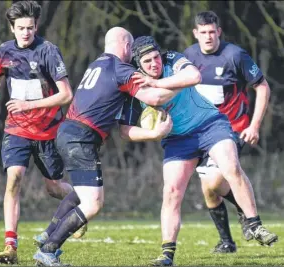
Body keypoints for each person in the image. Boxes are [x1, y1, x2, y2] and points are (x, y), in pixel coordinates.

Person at [32, 26, 199, 266]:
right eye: (131, 48)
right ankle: (48, 249)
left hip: (67, 131)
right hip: (82, 137)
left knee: (81, 193)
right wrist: (181, 85)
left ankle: (48, 235)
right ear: (126, 46)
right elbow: (154, 98)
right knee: (93, 203)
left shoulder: (97, 64)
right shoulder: (120, 69)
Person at [118, 35, 278, 266]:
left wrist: (157, 83)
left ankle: (255, 224)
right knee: (172, 191)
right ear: (137, 65)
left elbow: (194, 76)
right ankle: (167, 255)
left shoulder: (172, 59)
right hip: (177, 139)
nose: (155, 64)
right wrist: (153, 134)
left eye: (156, 58)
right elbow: (124, 131)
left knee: (231, 167)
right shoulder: (131, 83)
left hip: (209, 124)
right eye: (148, 62)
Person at [0, 1, 74, 264]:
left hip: (48, 131)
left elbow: (66, 95)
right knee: (14, 179)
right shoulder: (4, 52)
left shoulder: (49, 52)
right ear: (12, 28)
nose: (26, 33)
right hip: (16, 129)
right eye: (21, 28)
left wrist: (29, 105)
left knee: (53, 188)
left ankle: (80, 204)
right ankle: (10, 246)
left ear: (36, 26)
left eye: (30, 28)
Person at [183, 10, 273, 253]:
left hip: (233, 128)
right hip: (201, 130)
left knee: (215, 179)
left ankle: (249, 216)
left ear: (219, 32)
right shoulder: (188, 56)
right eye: (203, 33)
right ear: (196, 34)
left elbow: (262, 87)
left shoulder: (235, 55)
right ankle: (226, 242)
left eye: (212, 32)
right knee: (209, 190)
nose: (208, 37)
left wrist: (254, 125)